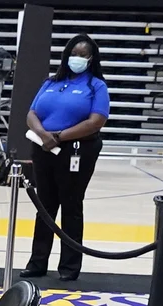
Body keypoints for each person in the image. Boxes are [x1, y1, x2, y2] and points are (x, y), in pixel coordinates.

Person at [23, 34, 109, 283]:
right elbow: (31, 112)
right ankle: (37, 262)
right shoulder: (51, 82)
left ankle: (69, 266)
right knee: (45, 206)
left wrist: (59, 136)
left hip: (76, 151)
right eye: (74, 53)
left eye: (83, 55)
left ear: (91, 59)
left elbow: (96, 121)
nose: (77, 59)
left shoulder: (96, 86)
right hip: (43, 148)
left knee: (71, 206)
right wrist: (43, 134)